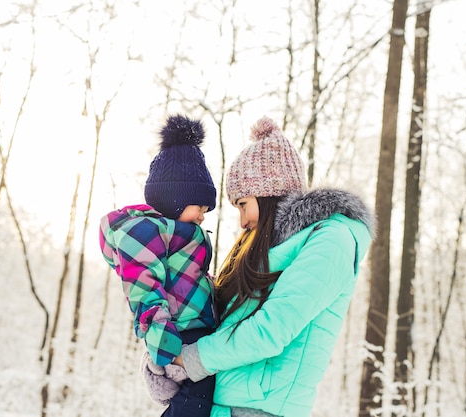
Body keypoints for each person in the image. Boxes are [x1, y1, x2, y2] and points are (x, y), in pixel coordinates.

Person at [149, 115, 375, 417]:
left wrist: (186, 359)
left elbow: (270, 330)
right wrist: (166, 347)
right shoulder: (275, 249)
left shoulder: (333, 240)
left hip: (261, 409)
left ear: (268, 192)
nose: (242, 221)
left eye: (243, 204)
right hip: (223, 405)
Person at [99, 114, 218, 417]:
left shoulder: (175, 235)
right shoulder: (144, 233)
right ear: (177, 199)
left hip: (196, 333)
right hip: (180, 337)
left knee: (197, 403)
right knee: (193, 406)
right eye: (199, 208)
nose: (203, 216)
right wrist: (166, 348)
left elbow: (187, 279)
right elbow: (144, 290)